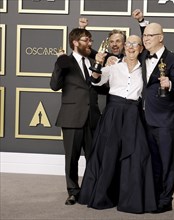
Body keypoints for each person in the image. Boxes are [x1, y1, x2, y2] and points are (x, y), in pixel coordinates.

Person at [78, 35, 157, 214]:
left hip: (133, 114)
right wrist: (98, 64)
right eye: (128, 44)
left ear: (141, 48)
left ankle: (131, 199)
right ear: (124, 47)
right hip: (113, 113)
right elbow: (96, 80)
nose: (130, 47)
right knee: (109, 154)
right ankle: (104, 196)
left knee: (136, 156)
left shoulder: (145, 69)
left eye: (135, 44)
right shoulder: (113, 65)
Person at [133, 9, 174, 213]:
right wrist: (141, 21)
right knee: (152, 161)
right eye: (144, 35)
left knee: (166, 162)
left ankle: (166, 200)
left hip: (165, 120)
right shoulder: (144, 55)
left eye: (149, 35)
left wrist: (170, 83)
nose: (145, 39)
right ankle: (154, 196)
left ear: (160, 38)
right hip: (145, 119)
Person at [50, 28, 102, 205]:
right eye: (86, 40)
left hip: (93, 116)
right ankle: (73, 191)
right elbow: (54, 86)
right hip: (72, 116)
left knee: (93, 156)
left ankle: (90, 189)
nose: (90, 43)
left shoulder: (94, 60)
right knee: (71, 157)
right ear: (75, 42)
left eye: (90, 40)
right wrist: (59, 62)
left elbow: (99, 86)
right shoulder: (66, 62)